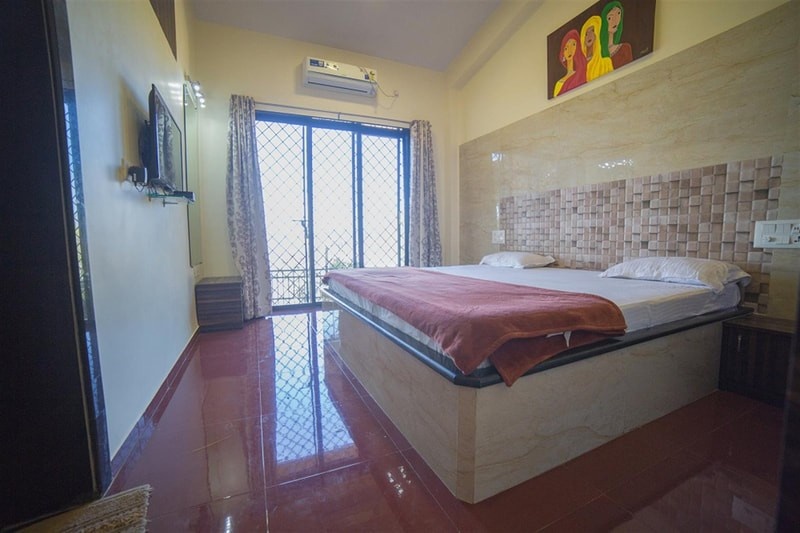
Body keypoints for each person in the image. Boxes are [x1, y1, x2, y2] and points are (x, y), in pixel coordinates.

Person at [552, 29, 587, 98]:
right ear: (563, 53)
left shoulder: (581, 74)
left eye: (573, 45)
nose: (569, 50)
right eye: (566, 48)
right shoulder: (558, 83)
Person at [601, 1, 633, 69]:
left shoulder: (625, 48)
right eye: (610, 18)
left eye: (618, 14)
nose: (615, 20)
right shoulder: (599, 56)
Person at [581, 15, 613, 81]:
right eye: (586, 34)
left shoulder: (605, 63)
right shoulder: (580, 67)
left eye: (592, 31)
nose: (589, 36)